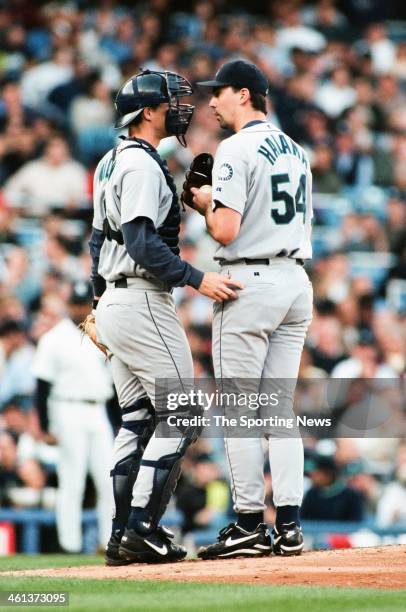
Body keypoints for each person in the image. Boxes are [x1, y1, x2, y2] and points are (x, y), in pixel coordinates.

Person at [90, 69, 241, 565]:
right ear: (149, 111)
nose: (181, 107)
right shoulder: (138, 166)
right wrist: (197, 279)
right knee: (184, 412)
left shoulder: (110, 162)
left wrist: (98, 305)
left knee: (136, 419)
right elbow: (139, 242)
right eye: (172, 101)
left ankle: (119, 535)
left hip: (114, 300)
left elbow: (98, 243)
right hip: (140, 298)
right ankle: (142, 527)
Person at [190, 60, 313, 558]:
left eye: (218, 93)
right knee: (279, 410)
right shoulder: (297, 149)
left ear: (244, 94)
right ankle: (288, 523)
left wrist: (201, 202)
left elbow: (224, 230)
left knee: (240, 410)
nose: (212, 101)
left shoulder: (235, 147)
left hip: (250, 280)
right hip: (294, 280)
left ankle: (246, 523)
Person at [32, 281, 114, 553]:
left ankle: (107, 540)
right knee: (73, 480)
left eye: (84, 303)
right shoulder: (53, 338)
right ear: (68, 305)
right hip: (66, 409)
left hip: (97, 409)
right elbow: (42, 387)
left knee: (107, 478)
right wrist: (45, 425)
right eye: (76, 303)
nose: (80, 308)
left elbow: (111, 385)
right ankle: (69, 544)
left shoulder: (100, 333)